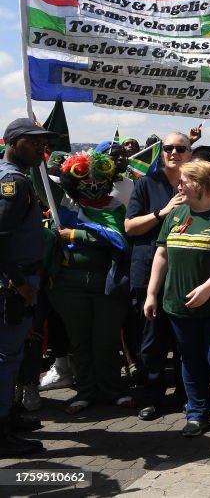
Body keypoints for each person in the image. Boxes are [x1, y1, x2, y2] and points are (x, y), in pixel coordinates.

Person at [144, 160, 210, 438]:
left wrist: (207, 289)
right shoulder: (176, 214)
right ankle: (197, 413)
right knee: (189, 360)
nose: (178, 185)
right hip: (178, 306)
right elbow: (162, 254)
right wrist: (151, 293)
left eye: (184, 181)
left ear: (201, 185)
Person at [49, 150, 133, 415]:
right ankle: (85, 392)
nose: (93, 186)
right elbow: (41, 182)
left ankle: (113, 390)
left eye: (99, 180)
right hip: (69, 285)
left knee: (106, 341)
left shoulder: (115, 207)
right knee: (79, 341)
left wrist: (76, 235)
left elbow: (118, 240)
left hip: (106, 283)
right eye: (86, 181)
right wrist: (39, 153)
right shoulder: (66, 205)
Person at [125, 132, 192, 421]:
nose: (173, 152)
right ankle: (152, 397)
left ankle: (187, 396)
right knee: (152, 341)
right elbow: (130, 227)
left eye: (180, 148)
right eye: (168, 148)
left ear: (190, 152)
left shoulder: (198, 184)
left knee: (185, 340)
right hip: (148, 270)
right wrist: (161, 213)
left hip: (185, 275)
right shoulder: (146, 184)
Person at [0, 119, 55, 457]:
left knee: (12, 353)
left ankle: (8, 416)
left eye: (43, 142)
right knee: (6, 357)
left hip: (19, 277)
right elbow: (1, 237)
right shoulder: (14, 182)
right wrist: (19, 283)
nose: (41, 148)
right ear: (12, 142)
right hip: (13, 281)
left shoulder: (15, 177)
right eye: (33, 142)